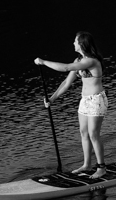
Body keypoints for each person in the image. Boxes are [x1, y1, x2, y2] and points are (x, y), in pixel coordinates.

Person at [34, 32, 108, 178]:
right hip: (85, 100)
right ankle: (87, 165)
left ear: (82, 44)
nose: (73, 43)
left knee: (93, 134)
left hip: (96, 100)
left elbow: (66, 67)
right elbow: (66, 82)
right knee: (83, 132)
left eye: (75, 41)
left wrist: (43, 62)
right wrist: (52, 99)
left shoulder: (91, 61)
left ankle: (101, 168)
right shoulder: (79, 60)